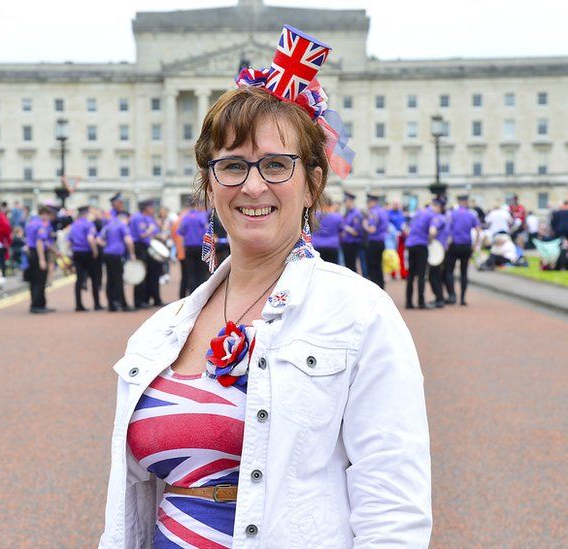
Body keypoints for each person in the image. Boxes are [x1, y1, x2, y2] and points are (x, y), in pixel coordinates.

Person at [102, 28, 430, 548]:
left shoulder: (360, 312)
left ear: (312, 183)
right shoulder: (160, 331)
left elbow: (392, 509)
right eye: (232, 166)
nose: (253, 186)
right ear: (209, 186)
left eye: (276, 165)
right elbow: (131, 506)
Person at [444, 194, 479, 306]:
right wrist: (475, 245)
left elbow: (447, 231)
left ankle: (452, 295)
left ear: (458, 202)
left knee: (449, 271)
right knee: (464, 272)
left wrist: (446, 245)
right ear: (466, 201)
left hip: (454, 245)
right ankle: (463, 298)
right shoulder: (472, 214)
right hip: (466, 245)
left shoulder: (452, 214)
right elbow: (478, 230)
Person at [98, 210, 136, 312]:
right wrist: (132, 254)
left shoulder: (108, 225)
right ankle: (122, 304)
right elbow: (129, 240)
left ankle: (111, 304)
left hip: (107, 254)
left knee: (110, 280)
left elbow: (98, 239)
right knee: (118, 280)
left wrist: (107, 246)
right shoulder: (122, 225)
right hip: (116, 255)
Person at [129, 199, 163, 309]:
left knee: (153, 273)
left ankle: (152, 298)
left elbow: (157, 232)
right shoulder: (137, 218)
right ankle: (139, 301)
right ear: (146, 208)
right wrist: (150, 230)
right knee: (141, 274)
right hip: (140, 247)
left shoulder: (148, 218)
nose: (153, 209)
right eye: (151, 207)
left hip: (148, 247)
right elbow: (142, 235)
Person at [26, 205, 58, 314]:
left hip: (31, 253)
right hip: (38, 253)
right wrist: (42, 259)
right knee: (40, 281)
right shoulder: (40, 225)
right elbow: (40, 242)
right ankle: (38, 305)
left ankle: (37, 304)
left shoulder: (31, 222)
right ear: (45, 214)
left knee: (33, 281)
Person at [69, 205, 101, 312]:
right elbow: (90, 238)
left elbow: (69, 242)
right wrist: (95, 251)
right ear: (87, 213)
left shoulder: (73, 225)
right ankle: (96, 304)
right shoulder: (88, 224)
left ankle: (78, 305)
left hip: (76, 252)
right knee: (94, 278)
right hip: (87, 252)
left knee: (79, 280)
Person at [176, 201, 210, 296]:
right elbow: (207, 231)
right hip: (200, 247)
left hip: (189, 248)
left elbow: (180, 232)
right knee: (201, 273)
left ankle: (192, 294)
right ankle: (201, 295)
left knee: (191, 274)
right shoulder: (201, 216)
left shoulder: (185, 218)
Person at [363, 194, 389, 288]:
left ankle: (376, 288)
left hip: (374, 242)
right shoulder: (383, 211)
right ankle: (381, 287)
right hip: (381, 242)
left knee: (373, 268)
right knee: (378, 266)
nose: (367, 205)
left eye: (368, 202)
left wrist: (365, 224)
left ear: (372, 202)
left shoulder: (374, 212)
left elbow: (372, 229)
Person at [312, 198, 344, 264]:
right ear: (331, 205)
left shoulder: (314, 216)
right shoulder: (337, 216)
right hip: (332, 245)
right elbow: (342, 232)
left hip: (317, 245)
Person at [340, 191, 365, 273]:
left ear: (351, 201)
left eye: (346, 201)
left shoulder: (356, 214)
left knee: (352, 267)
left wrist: (345, 227)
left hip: (353, 244)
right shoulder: (347, 213)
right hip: (346, 243)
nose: (345, 204)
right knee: (348, 266)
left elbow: (356, 232)